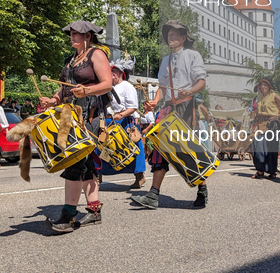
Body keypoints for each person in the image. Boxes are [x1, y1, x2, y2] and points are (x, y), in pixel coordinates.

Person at [39, 21, 112, 233]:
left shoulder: (96, 54)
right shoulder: (71, 60)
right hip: (70, 115)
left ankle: (68, 215)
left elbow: (107, 84)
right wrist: (53, 100)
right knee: (86, 163)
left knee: (74, 160)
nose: (72, 37)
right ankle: (94, 210)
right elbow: (65, 89)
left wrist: (87, 91)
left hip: (89, 115)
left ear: (88, 35)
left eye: (76, 34)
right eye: (70, 34)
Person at [130, 20, 207, 209]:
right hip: (168, 109)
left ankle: (202, 190)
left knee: (187, 150)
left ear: (183, 38)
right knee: (160, 149)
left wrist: (189, 91)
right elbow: (163, 87)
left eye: (174, 35)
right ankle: (153, 195)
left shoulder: (193, 55)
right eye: (168, 35)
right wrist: (155, 102)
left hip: (187, 108)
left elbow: (201, 81)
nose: (170, 38)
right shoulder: (165, 60)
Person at [97, 59, 146, 189]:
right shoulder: (105, 86)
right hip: (107, 121)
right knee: (103, 148)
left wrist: (121, 115)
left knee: (129, 149)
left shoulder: (127, 86)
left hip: (123, 121)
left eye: (114, 72)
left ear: (120, 74)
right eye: (110, 72)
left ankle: (139, 176)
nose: (111, 74)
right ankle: (97, 175)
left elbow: (133, 107)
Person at [251, 78, 280, 179]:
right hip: (260, 124)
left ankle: (272, 171)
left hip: (271, 124)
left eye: (265, 85)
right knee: (257, 147)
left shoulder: (274, 96)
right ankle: (260, 170)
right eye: (261, 85)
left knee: (271, 148)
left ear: (269, 86)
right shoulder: (259, 97)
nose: (263, 87)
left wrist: (279, 117)